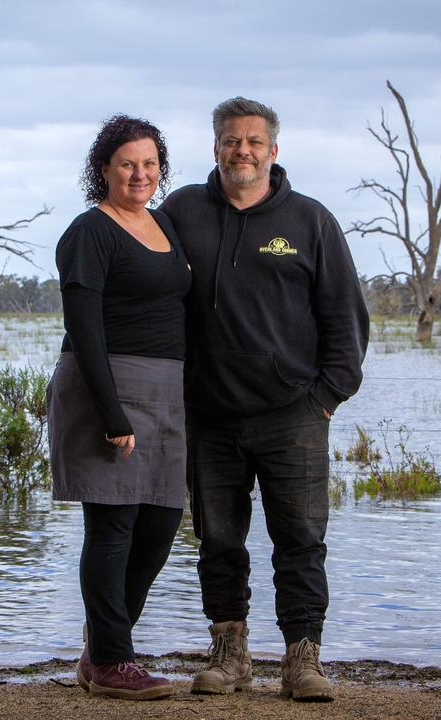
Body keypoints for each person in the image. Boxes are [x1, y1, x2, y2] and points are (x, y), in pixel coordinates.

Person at [160, 97, 369, 702]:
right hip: (210, 415)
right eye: (231, 140)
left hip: (293, 416)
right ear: (216, 147)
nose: (242, 150)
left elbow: (346, 319)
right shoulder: (182, 214)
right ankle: (230, 657)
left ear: (274, 151)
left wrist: (326, 399)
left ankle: (302, 662)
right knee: (218, 541)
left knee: (300, 541)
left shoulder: (310, 221)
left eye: (254, 141)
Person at [47, 114, 192, 701]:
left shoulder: (163, 224)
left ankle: (103, 647)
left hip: (167, 392)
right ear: (102, 168)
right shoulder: (91, 231)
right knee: (113, 525)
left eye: (150, 163)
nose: (140, 173)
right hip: (107, 386)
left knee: (160, 523)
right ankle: (112, 660)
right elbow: (82, 326)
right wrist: (111, 414)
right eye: (127, 163)